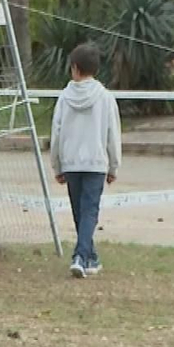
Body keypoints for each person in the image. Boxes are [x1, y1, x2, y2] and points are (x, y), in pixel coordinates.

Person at [50, 43, 122, 278]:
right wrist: (113, 165)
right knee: (89, 211)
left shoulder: (64, 98)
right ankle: (83, 256)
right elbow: (113, 134)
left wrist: (57, 164)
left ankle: (87, 257)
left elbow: (56, 133)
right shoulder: (105, 97)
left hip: (71, 161)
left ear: (74, 68)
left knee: (80, 211)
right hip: (95, 162)